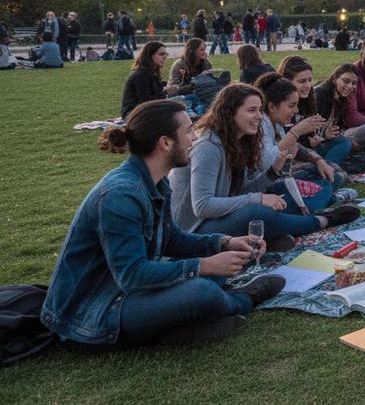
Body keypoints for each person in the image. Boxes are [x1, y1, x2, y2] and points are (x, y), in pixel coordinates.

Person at [42, 100, 284, 347]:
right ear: (165, 143)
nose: (194, 139)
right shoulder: (120, 195)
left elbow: (171, 238)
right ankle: (242, 299)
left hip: (124, 293)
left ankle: (178, 330)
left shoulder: (156, 181)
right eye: (189, 131)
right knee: (203, 291)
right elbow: (132, 275)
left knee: (212, 277)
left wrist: (224, 243)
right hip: (92, 311)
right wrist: (204, 265)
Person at [168, 84, 359, 242]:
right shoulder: (208, 147)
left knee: (278, 199)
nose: (259, 116)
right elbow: (202, 206)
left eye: (260, 110)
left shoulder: (238, 142)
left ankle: (271, 238)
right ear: (229, 112)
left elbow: (241, 190)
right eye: (251, 110)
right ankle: (322, 221)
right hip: (193, 229)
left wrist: (272, 173)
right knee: (255, 212)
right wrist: (258, 198)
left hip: (220, 216)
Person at [253, 73, 342, 214]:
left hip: (278, 180)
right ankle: (316, 207)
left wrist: (317, 159)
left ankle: (319, 202)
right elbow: (267, 163)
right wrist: (296, 132)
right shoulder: (260, 124)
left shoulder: (275, 123)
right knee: (325, 185)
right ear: (271, 107)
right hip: (261, 189)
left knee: (332, 174)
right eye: (292, 105)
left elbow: (293, 146)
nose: (296, 110)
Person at [278, 55, 352, 166]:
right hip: (286, 157)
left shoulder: (309, 99)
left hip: (307, 152)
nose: (308, 85)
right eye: (302, 81)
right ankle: (325, 171)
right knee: (337, 175)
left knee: (344, 142)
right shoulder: (279, 104)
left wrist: (316, 139)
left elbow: (309, 137)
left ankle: (325, 170)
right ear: (286, 81)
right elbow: (279, 144)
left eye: (310, 80)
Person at [120, 41, 185, 118]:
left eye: (166, 54)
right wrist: (166, 92)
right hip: (133, 114)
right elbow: (146, 102)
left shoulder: (151, 72)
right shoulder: (142, 74)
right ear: (150, 56)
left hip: (143, 111)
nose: (165, 57)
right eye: (161, 54)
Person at [313, 64, 359, 149]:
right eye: (346, 81)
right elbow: (309, 125)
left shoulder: (340, 97)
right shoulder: (321, 93)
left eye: (354, 83)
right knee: (345, 144)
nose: (350, 86)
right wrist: (324, 134)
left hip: (322, 140)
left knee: (347, 142)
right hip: (309, 144)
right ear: (334, 79)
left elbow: (337, 125)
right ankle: (328, 162)